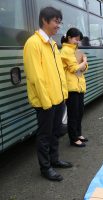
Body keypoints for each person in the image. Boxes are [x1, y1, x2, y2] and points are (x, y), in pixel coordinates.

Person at [23, 7, 72, 182]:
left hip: (58, 98)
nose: (59, 26)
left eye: (59, 22)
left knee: (55, 132)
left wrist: (63, 94)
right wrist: (46, 102)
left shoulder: (51, 43)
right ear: (45, 20)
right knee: (44, 135)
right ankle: (45, 168)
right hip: (46, 101)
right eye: (56, 21)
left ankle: (54, 159)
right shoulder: (33, 43)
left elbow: (59, 71)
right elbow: (36, 77)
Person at [60, 28, 88, 147]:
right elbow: (74, 68)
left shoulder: (76, 51)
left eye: (79, 40)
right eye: (76, 39)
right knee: (73, 114)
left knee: (80, 112)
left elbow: (84, 69)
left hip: (79, 86)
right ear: (69, 38)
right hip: (71, 87)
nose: (78, 42)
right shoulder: (65, 50)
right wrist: (84, 61)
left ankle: (78, 134)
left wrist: (83, 65)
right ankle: (73, 138)